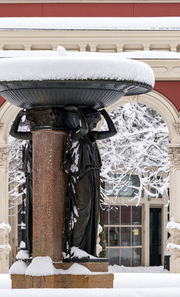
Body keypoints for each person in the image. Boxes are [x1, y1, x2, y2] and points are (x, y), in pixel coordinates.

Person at [63, 107, 117, 258]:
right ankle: (75, 247)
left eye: (95, 122)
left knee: (92, 212)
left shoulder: (92, 136)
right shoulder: (74, 135)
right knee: (82, 213)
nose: (93, 125)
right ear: (83, 121)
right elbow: (84, 128)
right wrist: (78, 110)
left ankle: (86, 248)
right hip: (81, 178)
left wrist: (105, 113)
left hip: (93, 177)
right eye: (92, 121)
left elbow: (113, 132)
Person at [10, 110, 33, 256]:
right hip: (31, 176)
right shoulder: (32, 138)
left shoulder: (34, 138)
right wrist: (19, 116)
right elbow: (14, 132)